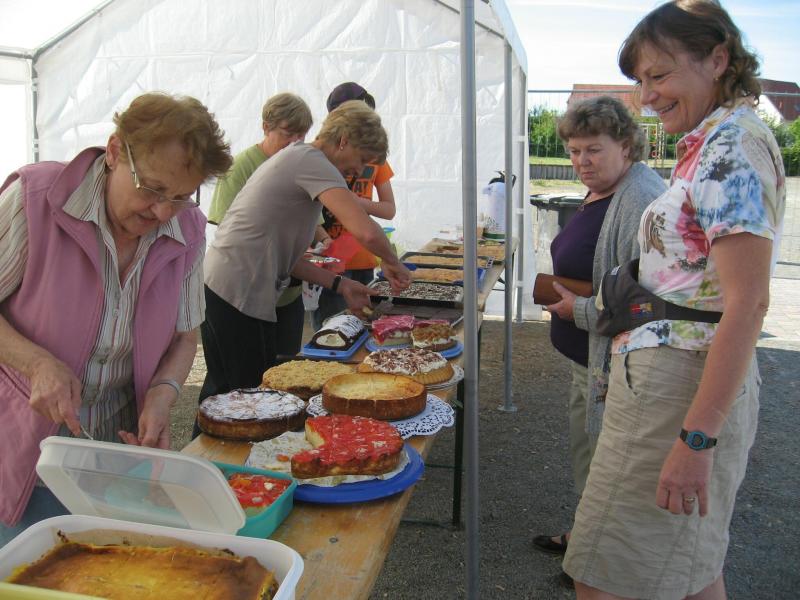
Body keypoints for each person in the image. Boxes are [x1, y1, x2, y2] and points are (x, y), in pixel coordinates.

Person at [563, 2, 786, 598]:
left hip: (678, 386)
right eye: (641, 80)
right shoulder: (714, 139)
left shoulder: (731, 147)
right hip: (673, 379)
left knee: (603, 577)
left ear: (718, 59)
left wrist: (697, 438)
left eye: (659, 75)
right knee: (691, 569)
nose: (647, 96)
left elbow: (749, 304)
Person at [0, 92, 233, 546]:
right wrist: (37, 363)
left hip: (112, 457)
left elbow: (185, 337)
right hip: (18, 449)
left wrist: (164, 394)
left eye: (181, 197)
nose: (162, 212)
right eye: (152, 189)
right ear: (113, 152)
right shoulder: (34, 199)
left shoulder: (188, 230)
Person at [200, 100, 411, 403]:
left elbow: (289, 260)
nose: (359, 169)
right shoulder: (312, 162)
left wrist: (341, 285)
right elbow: (365, 230)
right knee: (245, 400)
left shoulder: (301, 160)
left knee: (226, 393)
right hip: (236, 290)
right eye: (362, 158)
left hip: (228, 287)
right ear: (343, 140)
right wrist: (392, 262)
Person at [532, 96, 666, 568]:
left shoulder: (640, 200)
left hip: (612, 364)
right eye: (574, 151)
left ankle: (598, 565)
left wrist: (582, 310)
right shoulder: (607, 190)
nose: (581, 161)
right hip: (590, 358)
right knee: (591, 454)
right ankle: (587, 538)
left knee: (608, 463)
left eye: (593, 150)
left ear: (626, 145)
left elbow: (649, 300)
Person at [206, 92, 325, 356]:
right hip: (242, 294)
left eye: (301, 135)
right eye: (287, 133)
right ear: (265, 127)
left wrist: (323, 241)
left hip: (289, 294)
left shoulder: (303, 163)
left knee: (284, 366)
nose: (294, 142)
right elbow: (229, 231)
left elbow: (314, 222)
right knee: (243, 372)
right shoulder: (240, 167)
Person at [312, 82, 397, 330]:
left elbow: (389, 210)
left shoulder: (377, 159)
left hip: (363, 256)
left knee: (361, 328)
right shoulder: (317, 158)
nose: (358, 168)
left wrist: (355, 202)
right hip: (330, 261)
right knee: (332, 330)